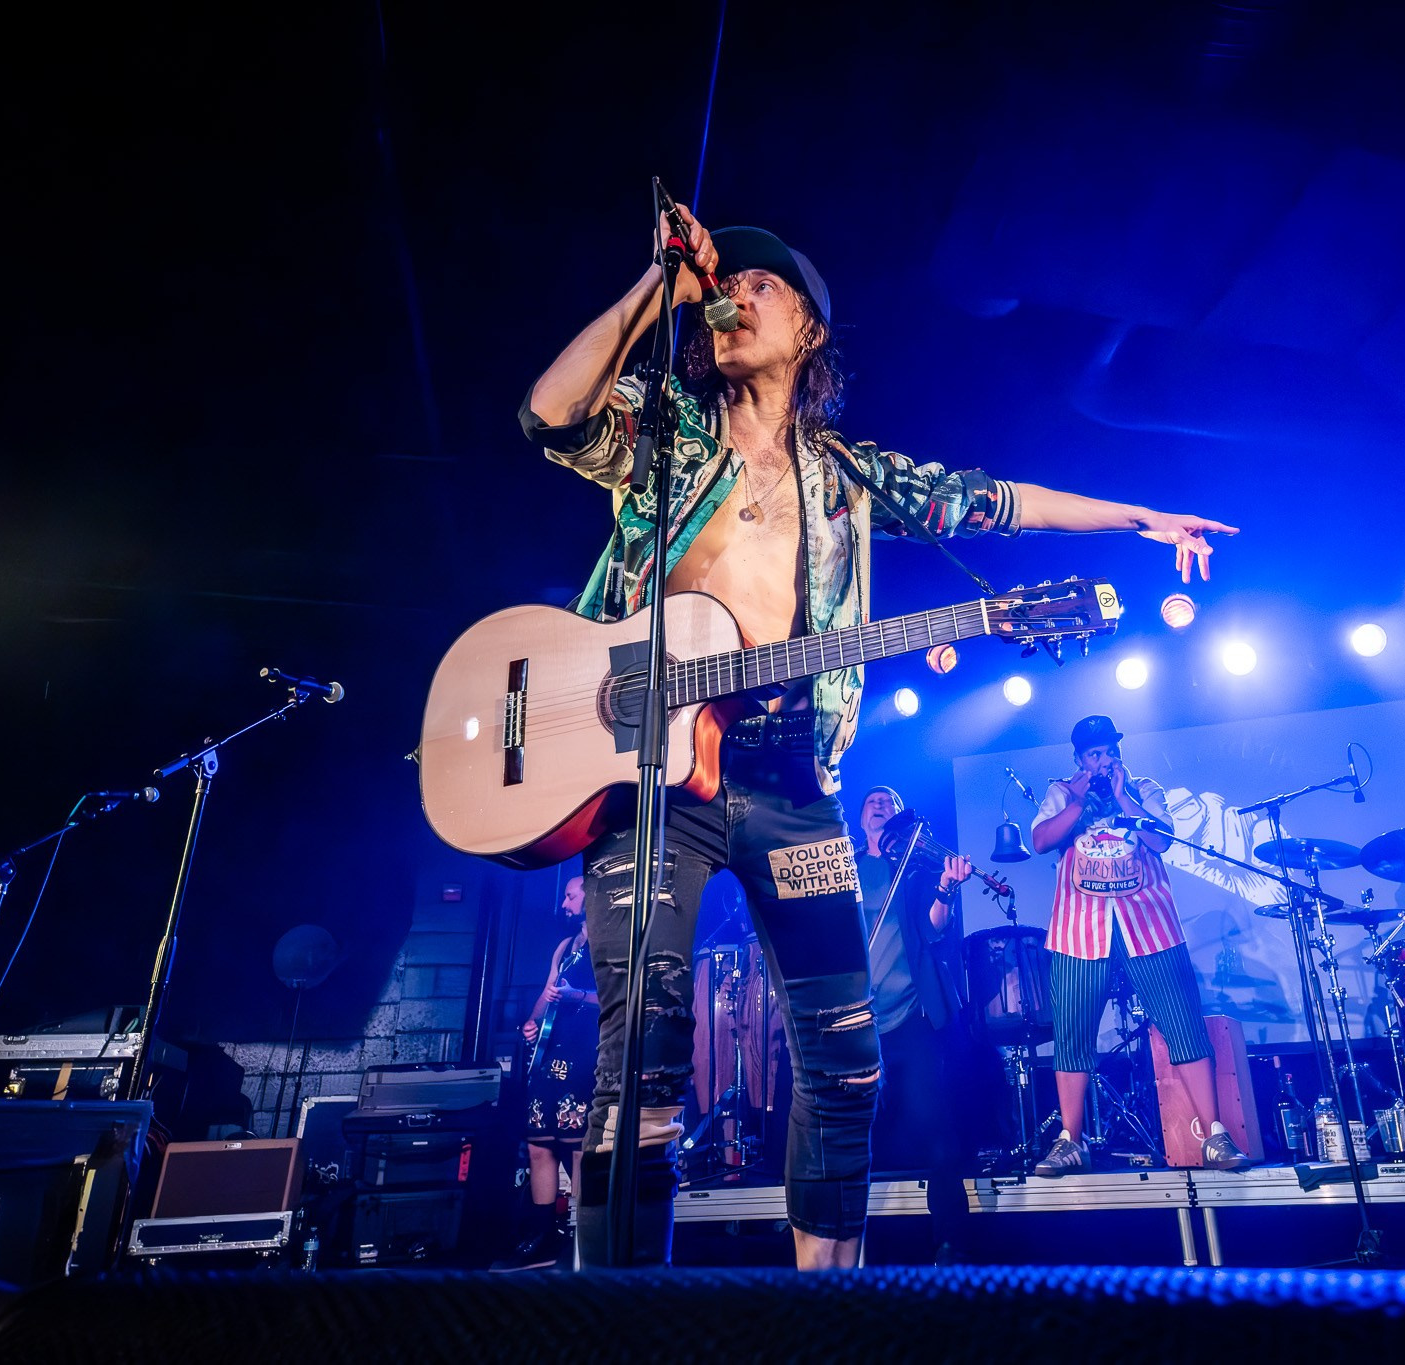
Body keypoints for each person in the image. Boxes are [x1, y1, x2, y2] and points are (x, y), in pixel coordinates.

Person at [519, 204, 1237, 1268]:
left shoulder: (849, 477)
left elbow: (995, 500)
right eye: (730, 285)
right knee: (644, 1052)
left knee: (846, 1059)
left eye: (763, 287)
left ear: (810, 330)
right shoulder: (664, 434)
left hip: (791, 779)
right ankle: (619, 1316)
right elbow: (551, 413)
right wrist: (655, 287)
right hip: (647, 780)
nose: (736, 298)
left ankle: (827, 1313)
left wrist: (1139, 518)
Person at [1029, 716, 1248, 1175]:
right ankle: (1071, 1140)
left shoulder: (1145, 788)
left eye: (1110, 752)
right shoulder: (1062, 792)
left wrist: (1123, 795)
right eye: (1094, 755)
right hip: (1078, 929)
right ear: (1079, 760)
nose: (1104, 761)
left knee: (1183, 1023)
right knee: (1072, 1035)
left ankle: (1214, 1134)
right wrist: (1081, 799)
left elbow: (1161, 840)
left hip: (1148, 923)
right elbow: (1041, 840)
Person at [853, 785, 977, 1264]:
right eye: (872, 801)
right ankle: (842, 1247)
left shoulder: (917, 867)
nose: (880, 804)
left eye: (889, 801)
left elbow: (933, 927)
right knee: (848, 1137)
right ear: (860, 818)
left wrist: (945, 888)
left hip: (910, 1019)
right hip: (857, 1024)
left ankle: (952, 1246)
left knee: (936, 1131)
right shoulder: (846, 867)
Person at [493, 875, 598, 1272]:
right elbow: (547, 992)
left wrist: (576, 998)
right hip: (550, 1052)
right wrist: (532, 1023)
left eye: (571, 896)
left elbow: (616, 997)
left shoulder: (611, 942)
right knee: (539, 1144)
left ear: (590, 894)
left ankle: (581, 1233)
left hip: (584, 1049)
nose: (565, 904)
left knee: (575, 1147)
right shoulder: (566, 946)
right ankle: (543, 1233)